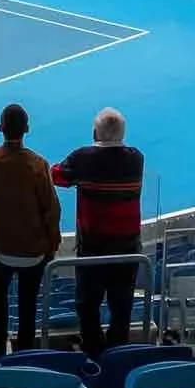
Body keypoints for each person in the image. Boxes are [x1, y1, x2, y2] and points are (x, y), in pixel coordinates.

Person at [0, 102, 60, 369]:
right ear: (27, 129)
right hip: (33, 251)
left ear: (0, 128)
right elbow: (51, 209)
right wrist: (52, 245)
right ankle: (25, 355)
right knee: (28, 304)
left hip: (3, 248)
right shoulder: (38, 165)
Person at [51, 106, 146, 354]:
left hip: (94, 247)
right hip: (128, 247)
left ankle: (93, 349)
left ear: (95, 133)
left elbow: (57, 176)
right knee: (121, 303)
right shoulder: (136, 158)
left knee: (88, 302)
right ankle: (117, 350)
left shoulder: (83, 158)